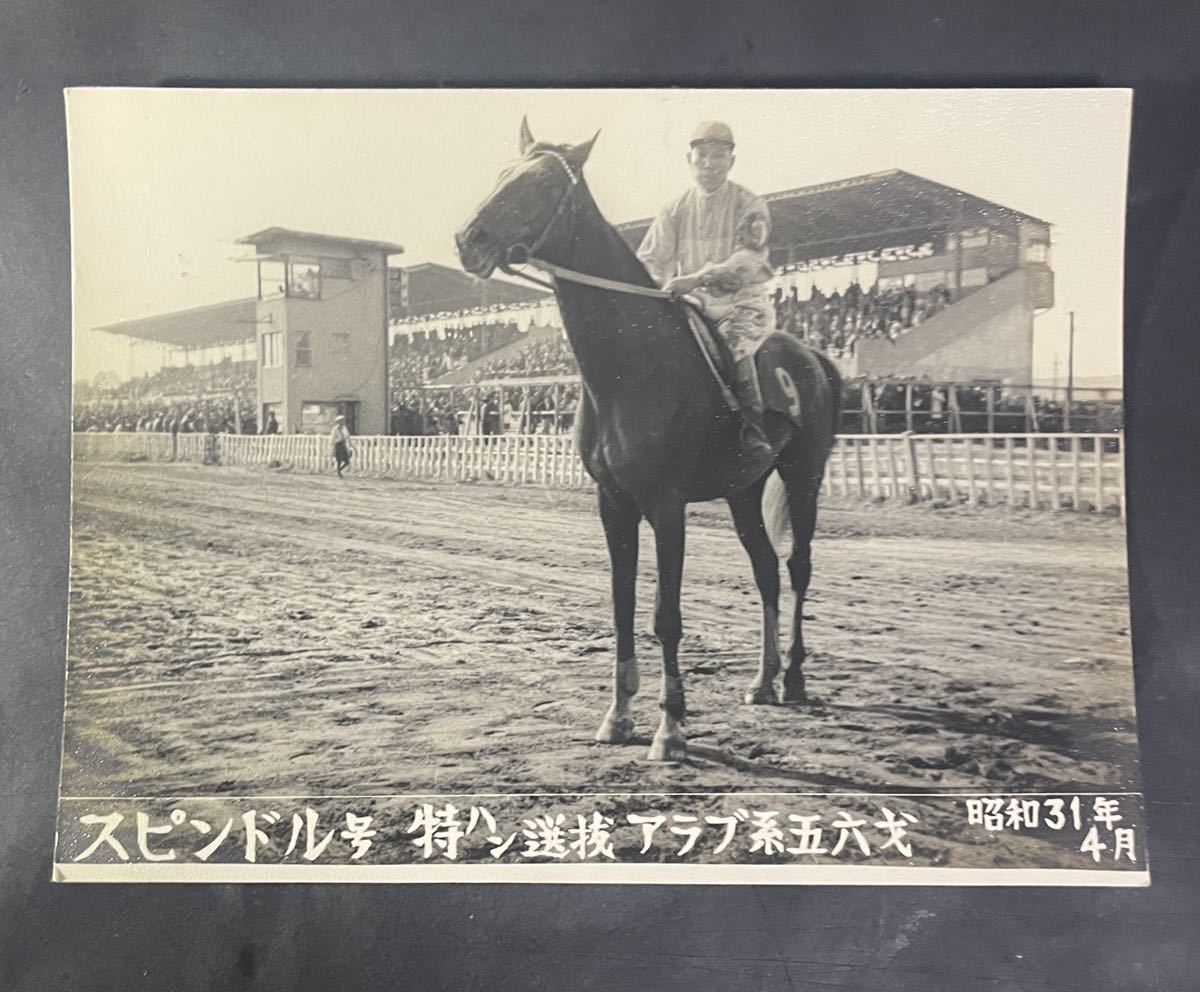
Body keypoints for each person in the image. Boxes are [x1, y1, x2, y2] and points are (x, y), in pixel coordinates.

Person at [637, 121, 775, 461]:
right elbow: (651, 259)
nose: (709, 164)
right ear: (689, 159)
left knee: (732, 349)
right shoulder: (674, 208)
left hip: (742, 304)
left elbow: (749, 258)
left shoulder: (750, 204)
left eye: (718, 156)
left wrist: (697, 278)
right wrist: (652, 283)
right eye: (702, 156)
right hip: (691, 305)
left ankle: (752, 432)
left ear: (732, 160)